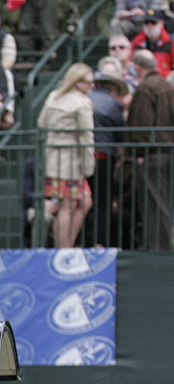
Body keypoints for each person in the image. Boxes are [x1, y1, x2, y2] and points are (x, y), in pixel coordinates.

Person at [37, 62, 95, 249]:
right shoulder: (82, 103)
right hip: (71, 160)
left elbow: (41, 122)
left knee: (83, 201)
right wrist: (88, 166)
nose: (92, 86)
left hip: (54, 157)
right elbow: (87, 136)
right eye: (88, 82)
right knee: (67, 207)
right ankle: (63, 248)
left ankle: (64, 245)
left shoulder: (55, 96)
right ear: (78, 82)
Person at [126, 48, 174, 250]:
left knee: (154, 205)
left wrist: (138, 153)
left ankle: (158, 250)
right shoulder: (167, 86)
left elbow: (141, 124)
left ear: (138, 66)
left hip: (151, 154)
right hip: (168, 152)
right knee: (165, 203)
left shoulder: (146, 88)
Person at [87, 72, 128, 246]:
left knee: (83, 201)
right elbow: (121, 133)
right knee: (103, 201)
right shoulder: (113, 104)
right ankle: (99, 242)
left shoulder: (84, 98)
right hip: (104, 155)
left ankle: (83, 241)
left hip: (84, 155)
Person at [131, 10, 173, 77]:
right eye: (146, 23)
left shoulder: (171, 43)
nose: (150, 26)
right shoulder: (136, 43)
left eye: (153, 22)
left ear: (161, 24)